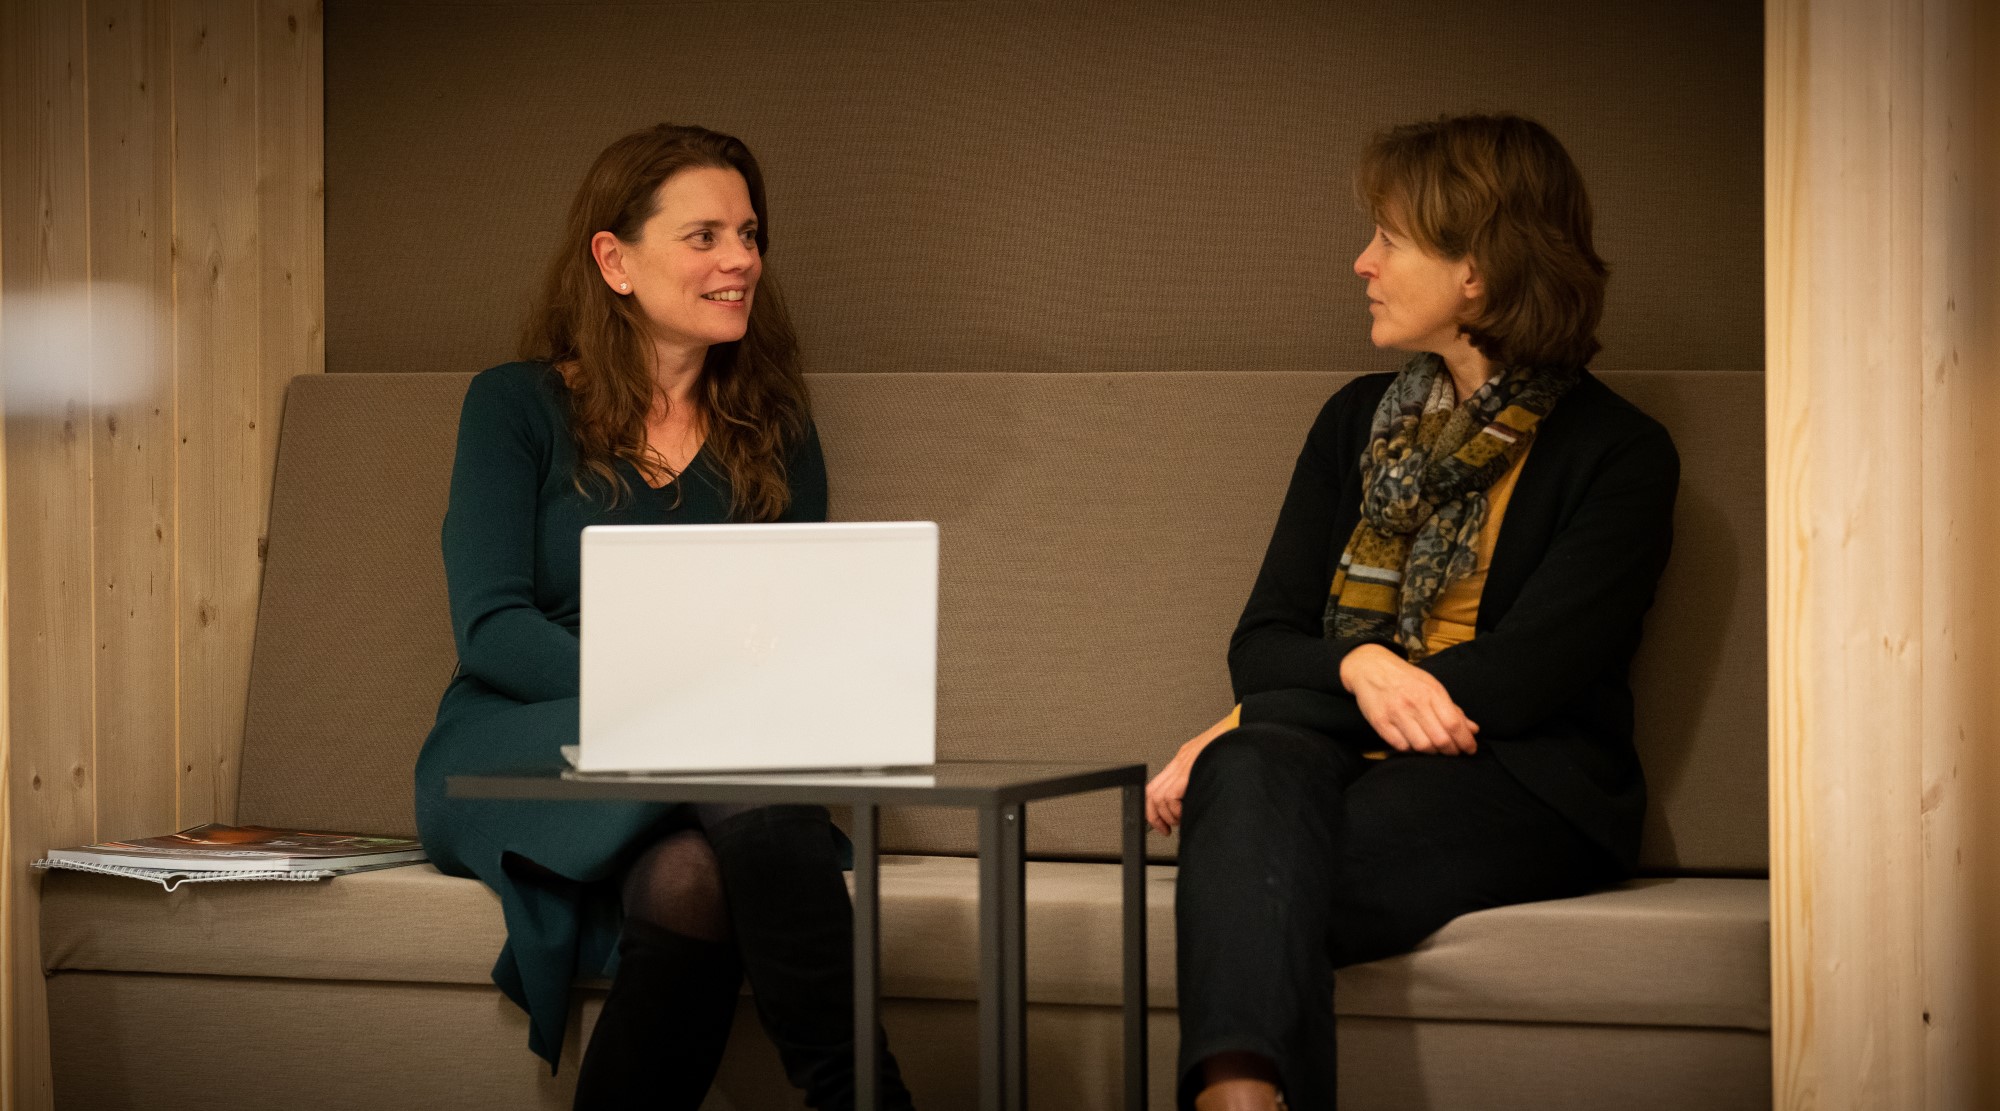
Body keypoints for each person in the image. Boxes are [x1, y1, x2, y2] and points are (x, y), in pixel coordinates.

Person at [1143, 114, 1681, 1110]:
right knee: (1252, 786)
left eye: (1387, 237)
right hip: (1345, 758)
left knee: (1251, 856)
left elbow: (1519, 678)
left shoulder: (1618, 454)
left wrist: (1253, 716)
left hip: (1518, 776)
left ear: (1473, 267)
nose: (1361, 263)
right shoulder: (1352, 421)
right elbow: (1261, 642)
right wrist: (1350, 668)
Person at [413, 123, 915, 1111]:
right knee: (737, 765)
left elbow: (798, 632)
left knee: (693, 878)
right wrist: (670, 700)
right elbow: (492, 627)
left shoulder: (774, 426)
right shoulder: (511, 407)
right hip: (523, 738)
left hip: (708, 761)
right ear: (614, 259)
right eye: (704, 236)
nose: (741, 260)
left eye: (749, 233)